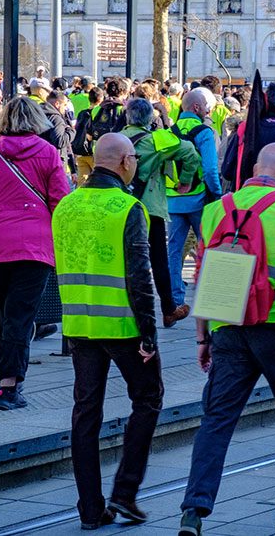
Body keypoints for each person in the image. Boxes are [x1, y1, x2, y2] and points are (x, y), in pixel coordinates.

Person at [179, 143, 275, 536]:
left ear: (255, 168)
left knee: (217, 419)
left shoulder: (215, 209)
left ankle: (193, 511)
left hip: (228, 328)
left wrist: (202, 336)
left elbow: (204, 275)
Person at [54, 132, 162, 530]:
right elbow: (139, 276)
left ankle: (90, 509)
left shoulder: (66, 205)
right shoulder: (127, 208)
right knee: (148, 399)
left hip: (80, 325)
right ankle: (125, 492)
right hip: (122, 325)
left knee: (85, 414)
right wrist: (149, 332)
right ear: (124, 161)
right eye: (133, 157)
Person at [0, 98, 69, 409]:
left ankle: (5, 379)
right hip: (34, 244)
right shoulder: (48, 153)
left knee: (3, 312)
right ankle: (10, 385)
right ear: (38, 120)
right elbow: (59, 200)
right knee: (21, 316)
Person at [121, 98, 200, 327]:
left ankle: (126, 307)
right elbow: (190, 154)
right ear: (150, 119)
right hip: (148, 207)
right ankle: (168, 309)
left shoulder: (113, 139)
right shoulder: (156, 140)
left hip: (116, 207)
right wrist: (185, 181)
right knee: (158, 259)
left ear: (128, 117)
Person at [168, 88, 224, 312]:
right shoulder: (204, 132)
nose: (209, 111)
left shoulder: (169, 131)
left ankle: (175, 300)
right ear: (197, 108)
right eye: (207, 107)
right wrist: (217, 194)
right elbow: (210, 169)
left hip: (172, 199)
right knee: (210, 246)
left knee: (174, 250)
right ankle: (211, 297)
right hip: (199, 199)